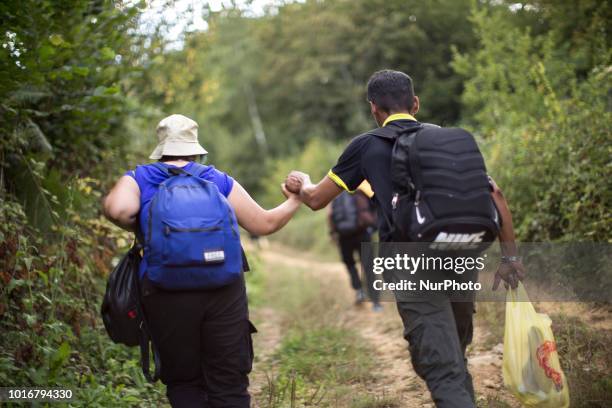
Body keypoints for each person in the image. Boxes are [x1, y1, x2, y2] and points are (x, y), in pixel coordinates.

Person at [285, 70, 525, 408]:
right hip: (460, 251)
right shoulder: (443, 138)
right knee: (454, 350)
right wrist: (510, 258)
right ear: (415, 103)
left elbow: (315, 200)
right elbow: (496, 195)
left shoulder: (365, 146)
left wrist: (301, 183)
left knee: (440, 364)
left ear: (373, 109)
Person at [103, 114, 301, 408]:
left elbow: (118, 210)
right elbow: (264, 224)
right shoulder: (215, 179)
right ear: (196, 148)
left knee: (184, 381)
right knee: (229, 382)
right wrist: (294, 200)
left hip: (164, 291)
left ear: (162, 148)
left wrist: (141, 225)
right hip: (222, 290)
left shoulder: (141, 177)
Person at [328, 187, 381, 310]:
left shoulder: (333, 195)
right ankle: (376, 302)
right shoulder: (361, 190)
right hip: (362, 232)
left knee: (349, 263)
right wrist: (374, 225)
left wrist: (333, 233)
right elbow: (375, 206)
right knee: (369, 267)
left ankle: (359, 289)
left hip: (344, 236)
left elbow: (330, 215)